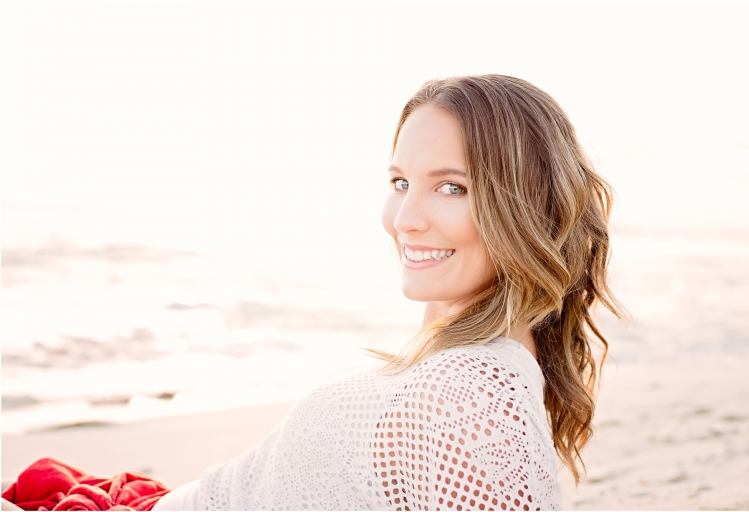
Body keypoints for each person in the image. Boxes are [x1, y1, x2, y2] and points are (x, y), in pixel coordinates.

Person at [153, 74, 622, 511]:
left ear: (529, 206)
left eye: (451, 187)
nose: (403, 219)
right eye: (401, 183)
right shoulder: (464, 356)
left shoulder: (472, 398)